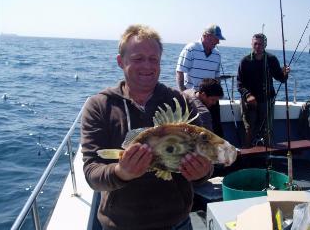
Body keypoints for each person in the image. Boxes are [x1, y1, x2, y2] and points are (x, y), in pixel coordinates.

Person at [81, 24, 213, 230]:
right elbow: (92, 172)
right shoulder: (100, 105)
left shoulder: (179, 101)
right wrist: (121, 172)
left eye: (154, 59)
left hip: (177, 222)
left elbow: (204, 156)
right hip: (120, 225)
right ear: (120, 61)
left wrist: (202, 172)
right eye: (138, 59)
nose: (147, 66)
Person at [237, 33, 290, 146]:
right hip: (249, 102)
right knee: (249, 129)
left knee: (267, 130)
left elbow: (281, 78)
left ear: (265, 45)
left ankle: (266, 158)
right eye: (255, 43)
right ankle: (247, 158)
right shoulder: (245, 61)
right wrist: (248, 95)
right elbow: (239, 84)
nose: (257, 46)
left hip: (267, 101)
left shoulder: (272, 59)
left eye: (260, 44)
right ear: (251, 44)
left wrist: (285, 73)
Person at [176, 24, 226, 137]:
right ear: (207, 36)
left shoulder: (217, 54)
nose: (218, 42)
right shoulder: (191, 49)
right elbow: (179, 71)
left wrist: (217, 94)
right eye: (216, 38)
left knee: (216, 128)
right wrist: (183, 93)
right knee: (193, 130)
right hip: (194, 97)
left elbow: (217, 77)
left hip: (211, 97)